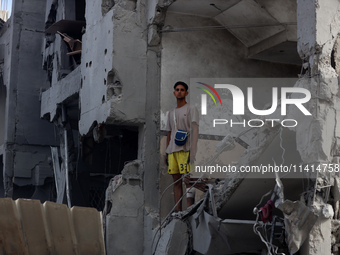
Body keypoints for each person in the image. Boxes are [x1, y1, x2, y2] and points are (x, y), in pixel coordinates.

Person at [165, 81, 199, 212]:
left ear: (186, 93)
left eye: (182, 89)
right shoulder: (171, 113)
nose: (179, 91)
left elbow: (195, 129)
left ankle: (190, 209)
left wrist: (193, 150)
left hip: (185, 150)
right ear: (174, 93)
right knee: (176, 181)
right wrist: (166, 152)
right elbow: (169, 132)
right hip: (172, 151)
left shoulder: (191, 109)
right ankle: (177, 211)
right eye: (177, 90)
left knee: (188, 180)